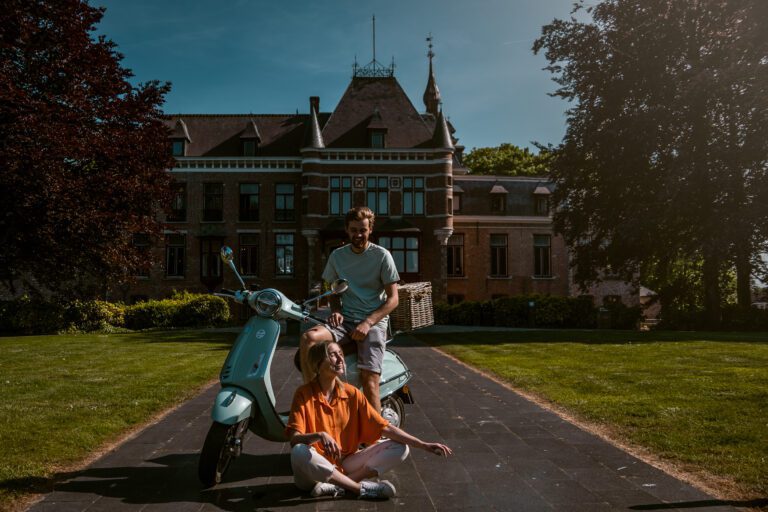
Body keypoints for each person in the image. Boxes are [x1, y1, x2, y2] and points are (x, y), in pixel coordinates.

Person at [287, 340, 452, 499]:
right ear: (318, 364)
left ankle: (339, 485)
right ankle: (359, 489)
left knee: (401, 448)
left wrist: (423, 445)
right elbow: (294, 439)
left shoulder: (351, 393)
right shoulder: (303, 394)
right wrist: (320, 435)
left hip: (347, 463)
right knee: (299, 451)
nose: (340, 359)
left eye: (340, 354)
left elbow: (384, 427)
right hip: (313, 476)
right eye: (332, 355)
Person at [299, 206, 398, 412]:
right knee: (309, 338)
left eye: (363, 230)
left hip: (373, 324)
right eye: (354, 230)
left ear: (370, 230)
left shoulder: (382, 256)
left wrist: (368, 322)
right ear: (347, 229)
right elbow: (334, 291)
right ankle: (314, 402)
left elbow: (393, 299)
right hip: (345, 321)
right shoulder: (337, 256)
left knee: (369, 379)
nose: (358, 235)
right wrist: (336, 311)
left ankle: (376, 429)